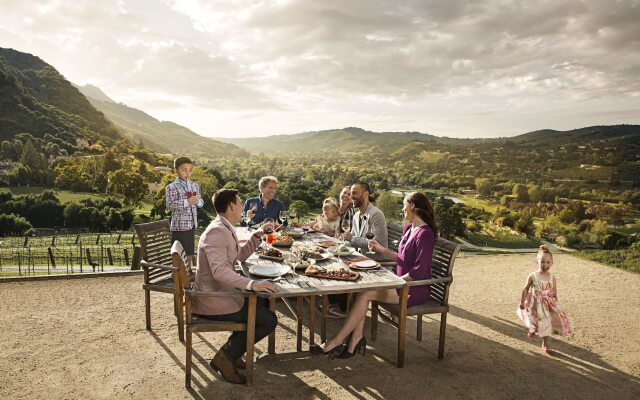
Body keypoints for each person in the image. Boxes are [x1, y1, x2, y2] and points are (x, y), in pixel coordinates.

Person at [311, 192, 437, 358]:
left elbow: (419, 271)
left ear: (413, 206)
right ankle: (355, 339)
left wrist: (394, 281)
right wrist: (381, 249)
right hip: (399, 282)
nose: (403, 209)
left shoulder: (425, 234)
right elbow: (402, 259)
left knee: (366, 292)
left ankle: (337, 341)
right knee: (362, 289)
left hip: (413, 288)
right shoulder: (410, 228)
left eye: (404, 204)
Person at [192, 188, 279, 384]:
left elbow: (238, 256)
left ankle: (233, 352)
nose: (243, 208)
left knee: (262, 305)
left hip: (222, 294)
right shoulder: (216, 232)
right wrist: (251, 284)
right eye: (240, 204)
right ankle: (225, 358)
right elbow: (220, 272)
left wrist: (257, 236)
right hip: (212, 300)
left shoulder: (224, 227)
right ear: (231, 206)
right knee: (268, 320)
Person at [518, 245, 572, 354]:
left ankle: (545, 343)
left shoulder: (552, 277)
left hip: (546, 304)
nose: (545, 265)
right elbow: (525, 289)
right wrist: (522, 302)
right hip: (534, 304)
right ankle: (533, 328)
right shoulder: (533, 276)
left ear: (552, 263)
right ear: (536, 262)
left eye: (548, 262)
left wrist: (557, 305)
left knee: (546, 323)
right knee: (535, 318)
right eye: (542, 262)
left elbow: (554, 292)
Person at [165, 156, 203, 267]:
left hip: (191, 224)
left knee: (189, 250)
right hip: (179, 226)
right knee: (178, 252)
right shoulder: (171, 187)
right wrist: (187, 202)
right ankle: (178, 273)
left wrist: (197, 202)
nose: (187, 173)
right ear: (176, 170)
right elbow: (170, 205)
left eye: (190, 170)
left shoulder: (194, 186)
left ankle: (188, 271)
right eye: (184, 170)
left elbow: (201, 202)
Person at [343, 182, 388, 252]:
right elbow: (352, 241)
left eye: (354, 193)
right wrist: (338, 247)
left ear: (365, 194)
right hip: (360, 258)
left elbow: (378, 243)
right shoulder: (356, 216)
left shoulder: (376, 214)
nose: (351, 196)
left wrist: (352, 238)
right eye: (350, 194)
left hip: (375, 260)